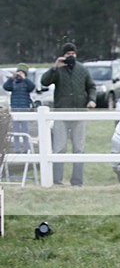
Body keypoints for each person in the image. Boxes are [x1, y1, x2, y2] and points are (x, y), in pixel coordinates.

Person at [40, 42, 97, 186]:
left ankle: (77, 182)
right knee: (59, 148)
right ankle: (56, 181)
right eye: (68, 54)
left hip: (79, 113)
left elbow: (91, 86)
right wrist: (54, 67)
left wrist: (92, 100)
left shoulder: (82, 70)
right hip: (61, 114)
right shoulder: (58, 70)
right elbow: (44, 82)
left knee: (79, 149)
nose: (71, 56)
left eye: (73, 54)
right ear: (63, 56)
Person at [3, 63, 36, 152]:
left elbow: (32, 87)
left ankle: (26, 148)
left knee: (25, 130)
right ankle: (16, 149)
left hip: (24, 108)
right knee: (16, 130)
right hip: (15, 108)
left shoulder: (26, 83)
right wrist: (11, 78)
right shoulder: (13, 83)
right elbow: (5, 87)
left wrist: (24, 78)